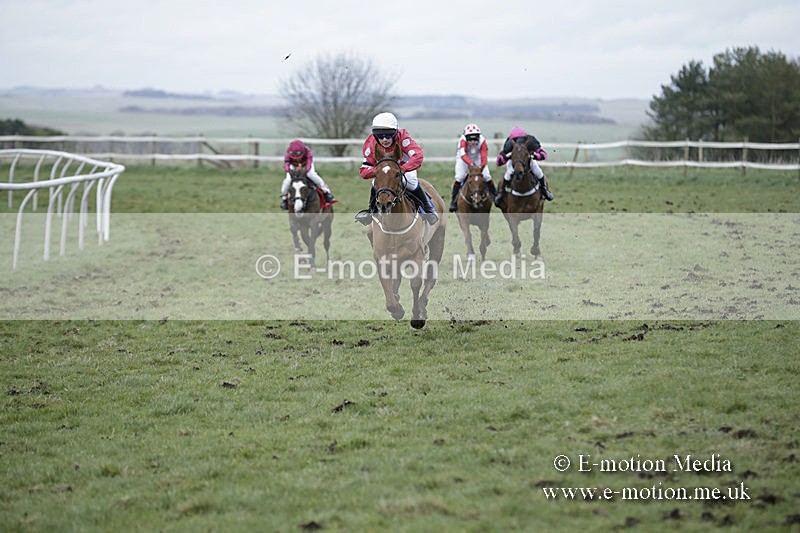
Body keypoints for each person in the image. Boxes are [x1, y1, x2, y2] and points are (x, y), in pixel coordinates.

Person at [355, 112, 439, 226]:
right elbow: (364, 171)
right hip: (384, 172)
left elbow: (418, 156)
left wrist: (403, 169)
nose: (384, 139)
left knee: (411, 182)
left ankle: (428, 209)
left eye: (388, 135)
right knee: (375, 183)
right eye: (380, 136)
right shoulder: (371, 143)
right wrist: (378, 172)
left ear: (395, 134)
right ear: (375, 136)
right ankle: (371, 211)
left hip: (404, 168)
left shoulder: (403, 137)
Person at [494, 125, 554, 205]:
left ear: (524, 137)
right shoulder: (509, 143)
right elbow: (498, 161)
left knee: (538, 171)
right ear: (512, 140)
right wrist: (507, 156)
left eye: (521, 139)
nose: (518, 142)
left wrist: (535, 156)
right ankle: (501, 192)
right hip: (514, 162)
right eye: (516, 140)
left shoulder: (531, 141)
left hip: (528, 160)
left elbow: (544, 154)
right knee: (508, 173)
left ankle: (544, 190)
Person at [449, 123, 497, 212]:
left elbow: (484, 156)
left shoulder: (483, 141)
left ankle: (495, 197)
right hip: (463, 159)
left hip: (478, 158)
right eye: (470, 140)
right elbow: (463, 155)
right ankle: (454, 201)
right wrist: (471, 165)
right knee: (459, 177)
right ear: (466, 138)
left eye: (475, 140)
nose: (473, 142)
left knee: (487, 176)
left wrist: (481, 167)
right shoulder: (462, 141)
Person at [279, 139, 334, 209]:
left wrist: (305, 170)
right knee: (287, 180)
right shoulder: (288, 153)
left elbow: (309, 162)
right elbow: (287, 162)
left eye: (298, 157)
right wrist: (288, 170)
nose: (297, 159)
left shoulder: (307, 151)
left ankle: (326, 192)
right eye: (294, 157)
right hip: (293, 166)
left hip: (306, 165)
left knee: (311, 175)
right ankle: (284, 198)